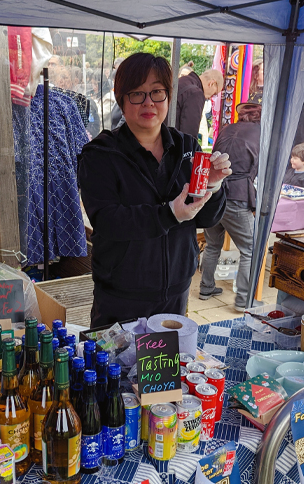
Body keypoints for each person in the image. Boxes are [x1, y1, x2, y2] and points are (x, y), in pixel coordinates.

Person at [78, 53, 231, 328]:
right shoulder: (100, 154)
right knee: (117, 370)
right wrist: (169, 213)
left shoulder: (187, 148)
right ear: (121, 100)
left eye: (157, 92)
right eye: (137, 93)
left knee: (166, 370)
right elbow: (108, 220)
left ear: (168, 97)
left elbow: (207, 219)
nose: (148, 102)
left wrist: (213, 185)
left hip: (176, 292)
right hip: (121, 297)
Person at [199, 103, 261, 309]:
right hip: (237, 194)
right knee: (250, 250)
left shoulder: (227, 128)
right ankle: (243, 300)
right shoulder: (261, 133)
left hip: (215, 191)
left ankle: (206, 287)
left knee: (212, 245)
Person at [176, 68, 223, 139]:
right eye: (214, 94)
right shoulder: (196, 93)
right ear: (212, 83)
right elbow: (189, 132)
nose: (210, 97)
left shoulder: (183, 80)